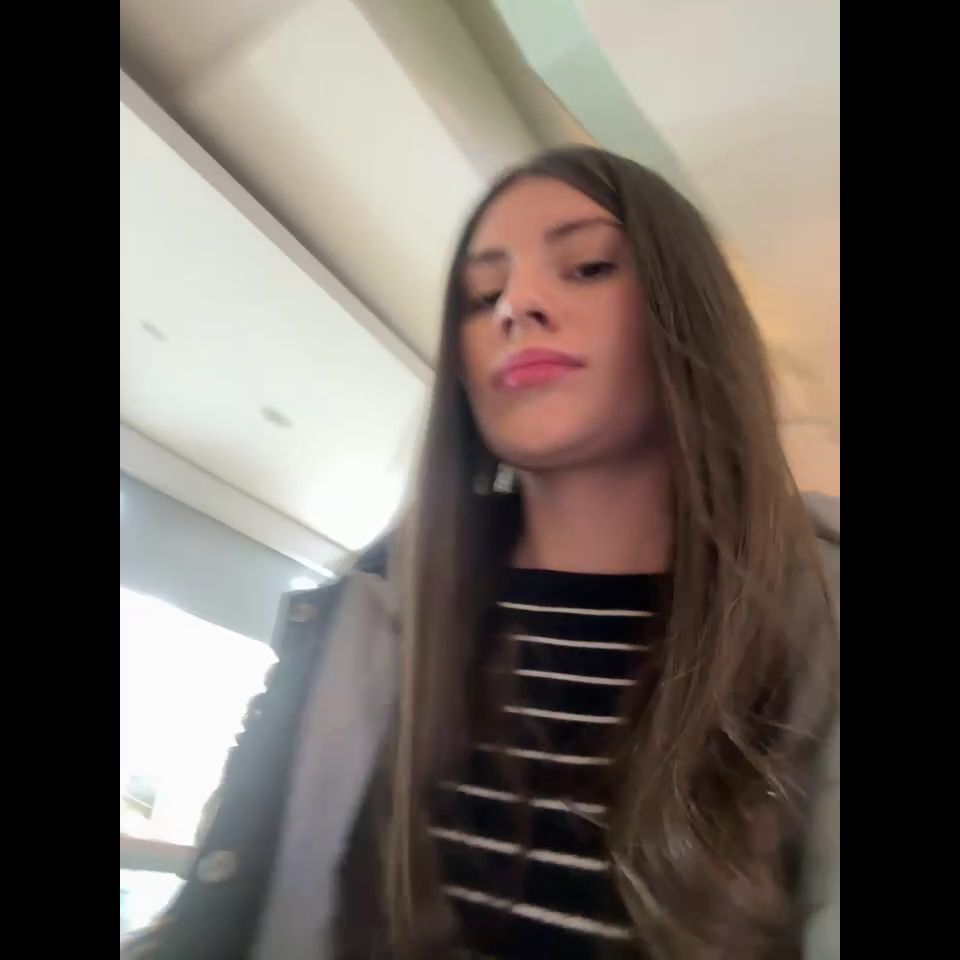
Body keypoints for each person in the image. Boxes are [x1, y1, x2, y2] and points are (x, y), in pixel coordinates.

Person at [122, 147, 839, 960]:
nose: (518, 305)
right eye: (481, 295)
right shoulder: (363, 613)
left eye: (589, 266)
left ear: (687, 312)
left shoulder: (815, 620)